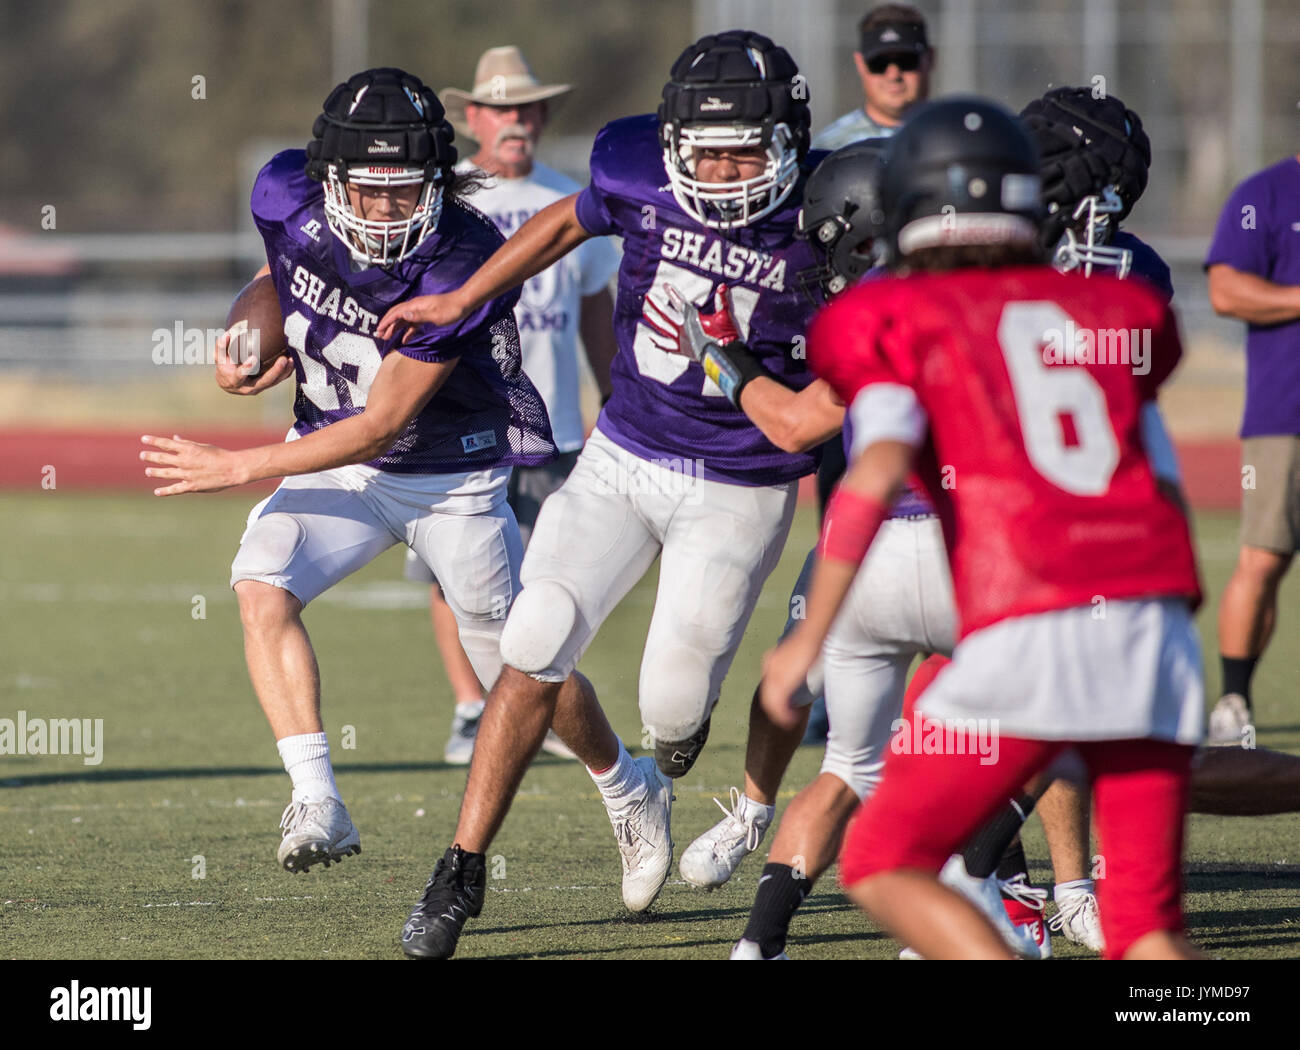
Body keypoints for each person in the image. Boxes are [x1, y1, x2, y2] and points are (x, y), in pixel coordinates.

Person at [378, 30, 826, 960]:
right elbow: (566, 220)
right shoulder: (637, 169)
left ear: (789, 138)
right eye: (704, 147)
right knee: (532, 638)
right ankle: (461, 871)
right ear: (671, 143)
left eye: (745, 145)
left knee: (671, 704)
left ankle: (662, 766)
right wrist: (466, 299)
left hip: (739, 483)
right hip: (624, 452)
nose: (722, 169)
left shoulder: (830, 210)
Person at [762, 97, 1205, 961]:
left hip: (1031, 620)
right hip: (1150, 620)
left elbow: (875, 474)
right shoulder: (1116, 307)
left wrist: (804, 639)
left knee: (885, 857)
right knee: (1146, 932)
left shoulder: (898, 314)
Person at [139, 68, 555, 874]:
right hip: (339, 464)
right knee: (261, 582)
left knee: (521, 658)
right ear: (329, 180)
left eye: (405, 192)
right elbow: (276, 276)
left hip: (446, 475)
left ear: (437, 180)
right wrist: (246, 344)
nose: (385, 211)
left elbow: (384, 424)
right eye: (366, 192)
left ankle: (623, 782)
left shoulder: (463, 257)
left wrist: (240, 465)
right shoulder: (284, 196)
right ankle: (318, 799)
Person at [401, 45, 620, 765]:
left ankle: (534, 703)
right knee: (451, 576)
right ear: (471, 117)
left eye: (526, 107)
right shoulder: (444, 196)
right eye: (500, 107)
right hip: (461, 424)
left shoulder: (573, 202)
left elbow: (593, 314)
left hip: (550, 428)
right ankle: (472, 707)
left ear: (543, 114)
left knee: (547, 579)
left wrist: (614, 402)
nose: (515, 120)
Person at [1204, 150, 1300, 744]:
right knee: (1263, 558)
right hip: (1284, 414)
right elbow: (1225, 290)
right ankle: (1233, 700)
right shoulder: (1265, 194)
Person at [811, 4, 934, 152]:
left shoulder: (957, 136)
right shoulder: (828, 149)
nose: (893, 75)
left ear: (930, 58)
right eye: (879, 63)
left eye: (906, 61)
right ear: (860, 63)